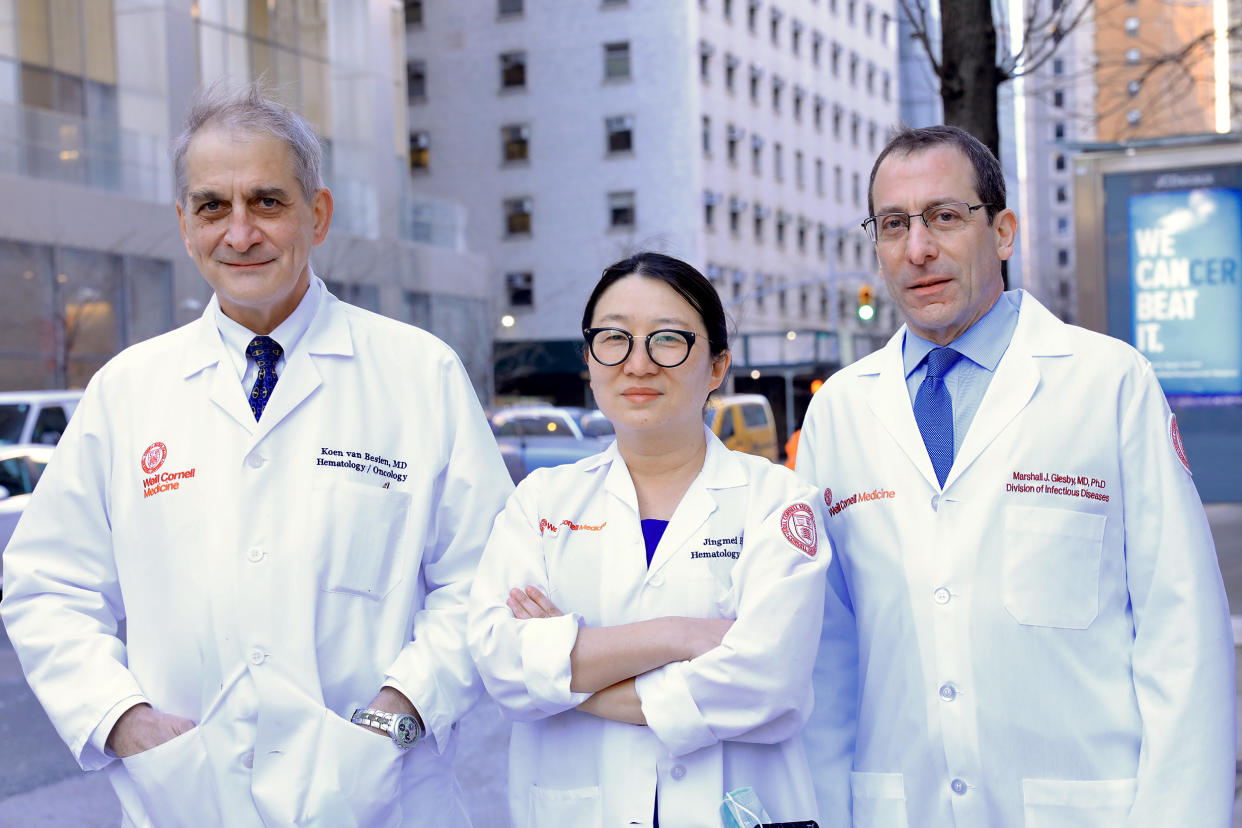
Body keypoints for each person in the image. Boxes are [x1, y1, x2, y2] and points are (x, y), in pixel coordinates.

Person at [0, 81, 511, 827]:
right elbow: (48, 586)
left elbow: (485, 579)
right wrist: (123, 721)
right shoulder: (128, 391)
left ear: (318, 214)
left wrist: (399, 714)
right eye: (213, 206)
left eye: (267, 202)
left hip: (387, 799)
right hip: (187, 799)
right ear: (183, 224)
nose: (239, 233)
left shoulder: (418, 375)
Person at [796, 124, 1236, 826]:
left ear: (1003, 232)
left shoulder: (1107, 384)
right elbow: (825, 657)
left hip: (1087, 806)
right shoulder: (840, 412)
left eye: (944, 217)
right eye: (893, 225)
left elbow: (1181, 632)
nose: (918, 249)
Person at [468, 252, 829, 828]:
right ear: (589, 360)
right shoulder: (540, 503)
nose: (637, 363)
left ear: (716, 367)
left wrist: (565, 677)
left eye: (668, 340)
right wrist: (678, 635)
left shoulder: (778, 503)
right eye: (613, 338)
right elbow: (500, 663)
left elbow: (767, 681)